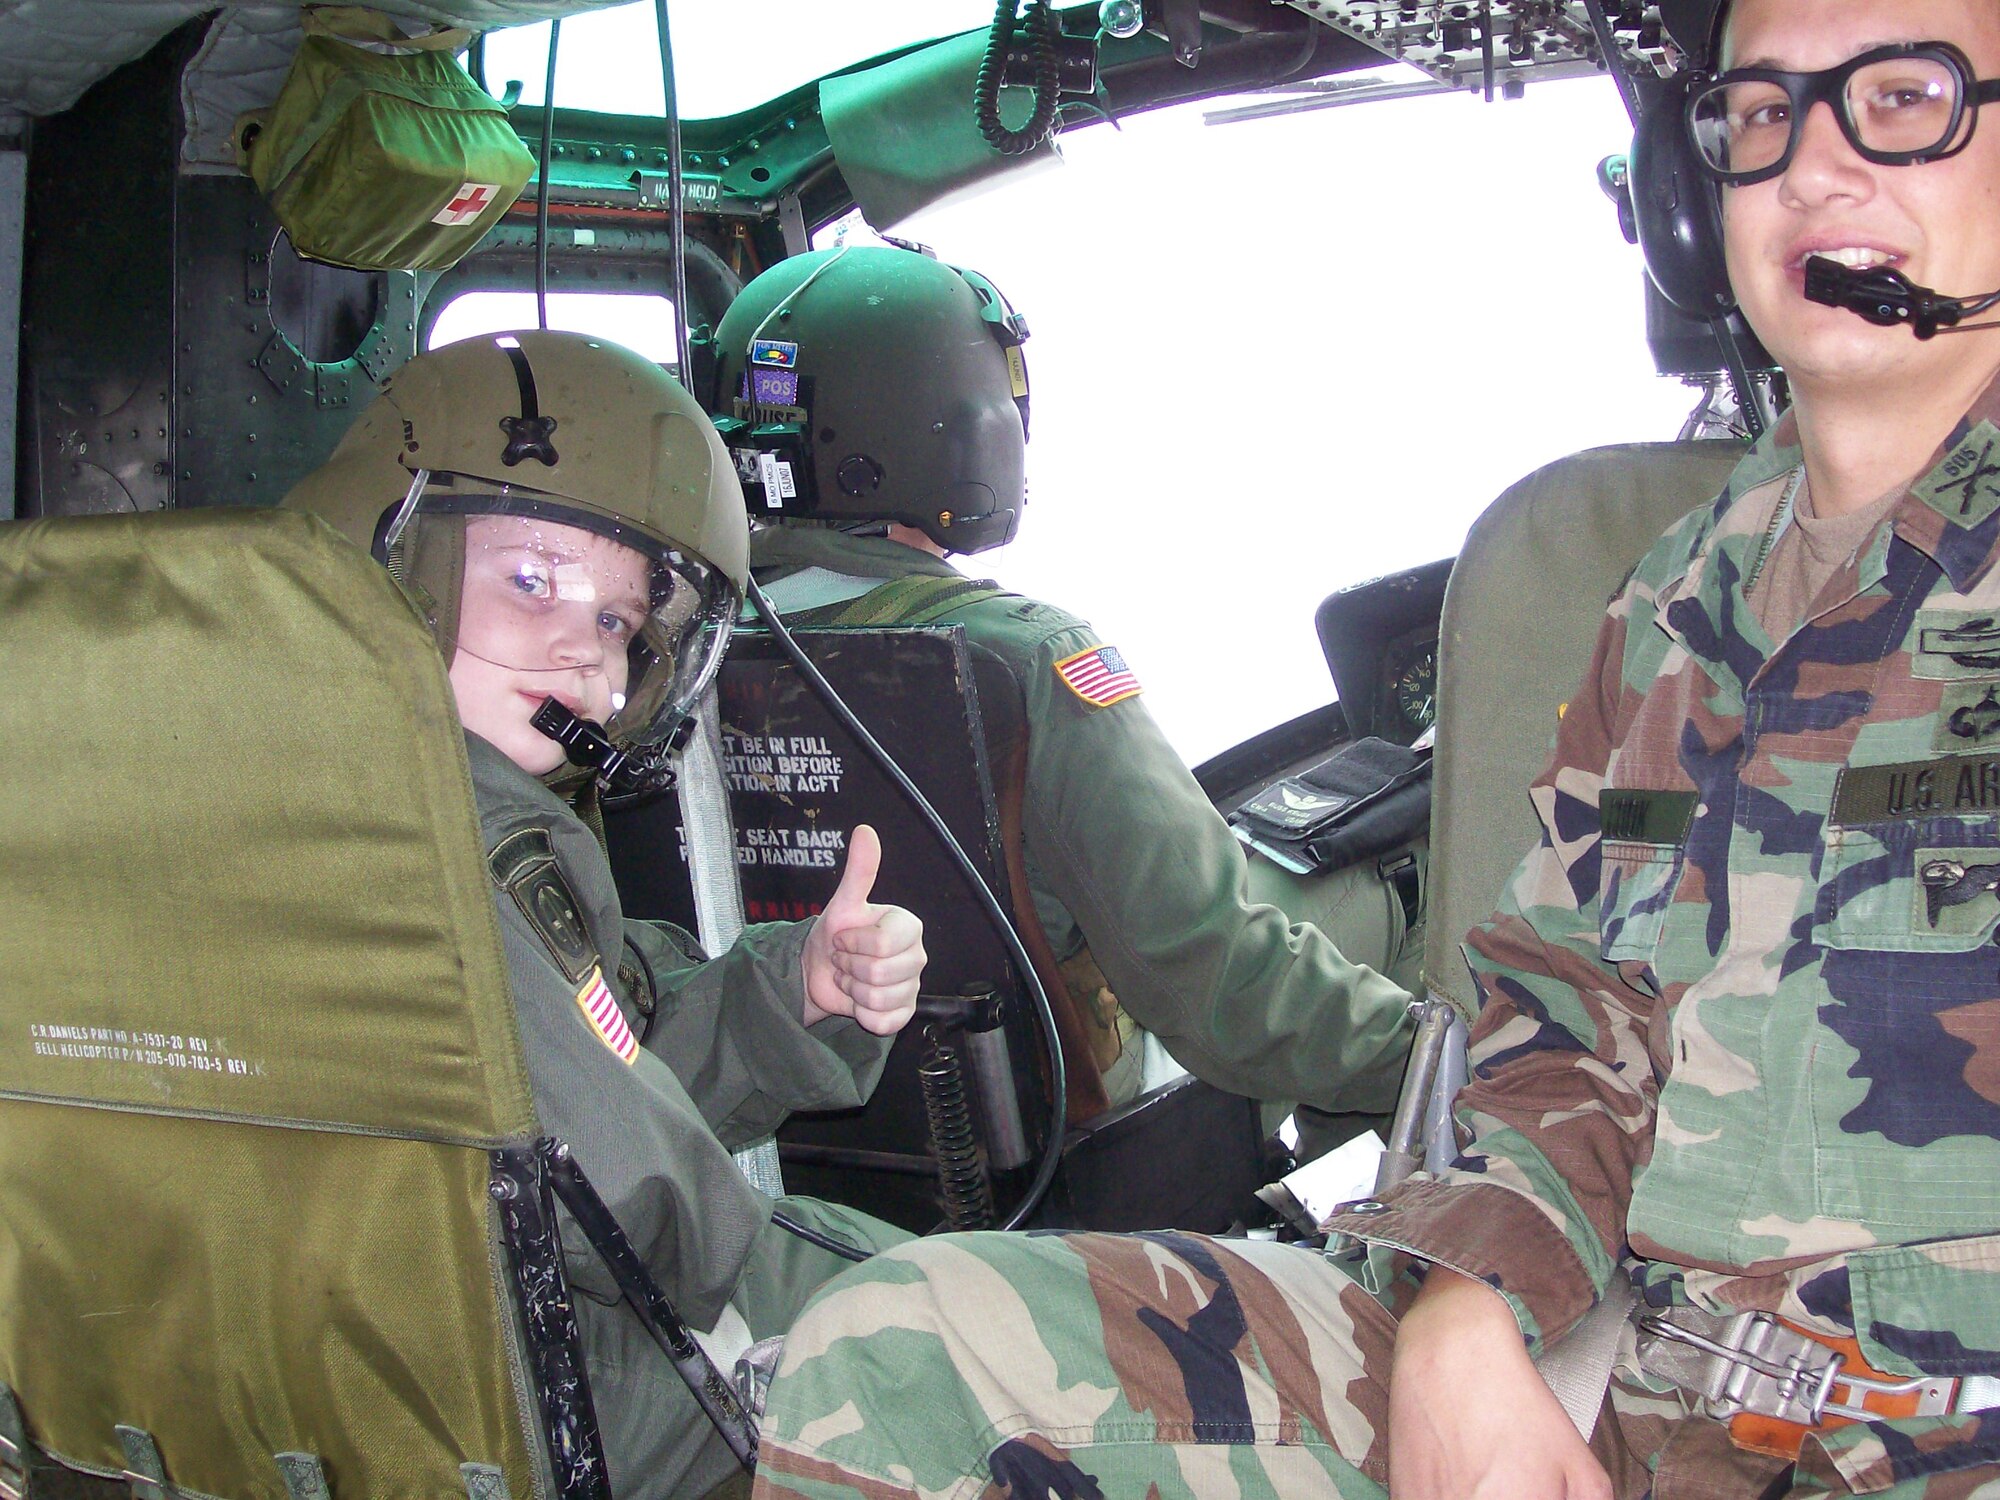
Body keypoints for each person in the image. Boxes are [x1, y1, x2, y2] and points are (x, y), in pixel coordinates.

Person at [745, 0, 2000, 1495]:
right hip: (1625, 1354)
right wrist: (1465, 1302)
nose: (1816, 170)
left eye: (1906, 98)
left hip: (1925, 1423)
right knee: (899, 1345)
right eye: (1766, 117)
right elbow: (1567, 1005)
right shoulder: (1674, 600)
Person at [282, 329, 928, 1500]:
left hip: (291, 1373)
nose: (587, 650)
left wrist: (793, 992)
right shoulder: (446, 836)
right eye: (532, 581)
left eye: (624, 625)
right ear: (389, 551)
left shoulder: (253, 773)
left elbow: (581, 1040)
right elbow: (644, 1212)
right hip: (480, 1397)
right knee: (935, 1323)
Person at [707, 244, 1417, 1118]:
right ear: (956, 420)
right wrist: (1449, 1068)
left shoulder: (666, 650)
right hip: (1065, 1110)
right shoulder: (1022, 656)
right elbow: (1218, 981)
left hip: (817, 1110)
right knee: (1387, 877)